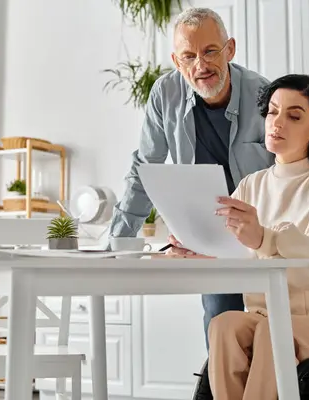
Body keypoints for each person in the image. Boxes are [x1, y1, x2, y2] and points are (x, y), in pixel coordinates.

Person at [165, 74, 309, 400]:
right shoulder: (252, 186)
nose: (277, 122)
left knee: (273, 333)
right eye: (271, 112)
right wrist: (199, 252)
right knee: (224, 325)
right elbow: (237, 255)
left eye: (294, 116)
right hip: (272, 314)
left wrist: (265, 239)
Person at [107, 7, 274, 349]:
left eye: (210, 51)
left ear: (230, 49)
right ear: (176, 60)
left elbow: (289, 173)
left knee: (278, 335)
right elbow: (144, 168)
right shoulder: (165, 94)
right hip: (210, 239)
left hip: (264, 235)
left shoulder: (265, 96)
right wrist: (117, 243)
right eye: (189, 56)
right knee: (221, 336)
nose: (201, 65)